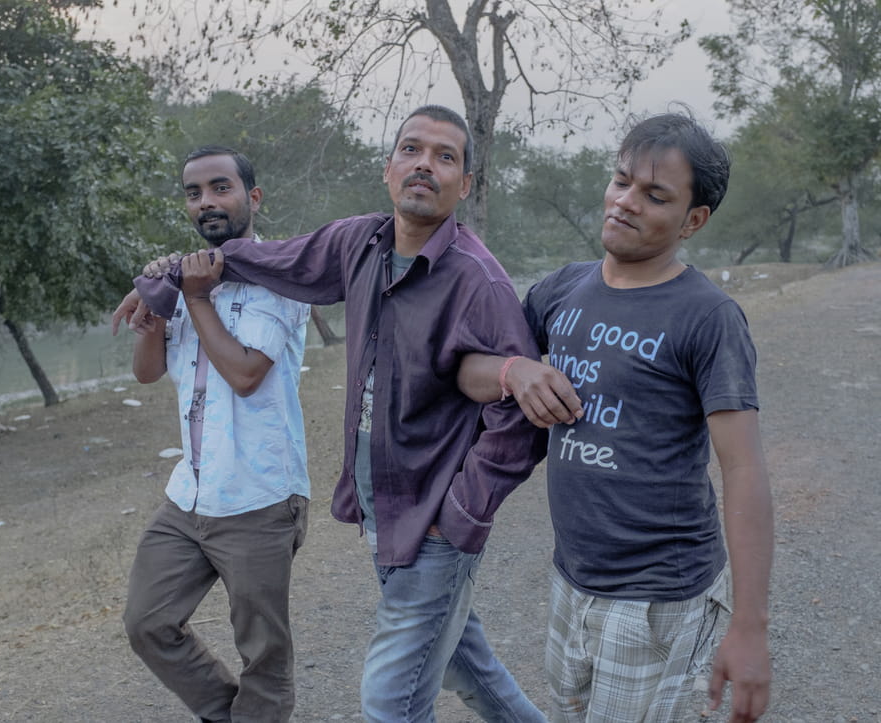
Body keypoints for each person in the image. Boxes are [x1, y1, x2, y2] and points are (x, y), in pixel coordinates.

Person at [114, 106, 548, 722]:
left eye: (445, 156)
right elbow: (272, 259)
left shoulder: (479, 282)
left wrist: (460, 513)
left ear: (466, 183)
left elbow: (520, 415)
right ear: (388, 168)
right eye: (411, 150)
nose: (424, 163)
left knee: (389, 702)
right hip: (382, 508)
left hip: (429, 520)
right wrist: (163, 281)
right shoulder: (360, 244)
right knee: (459, 660)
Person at [457, 112, 774, 722]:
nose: (625, 202)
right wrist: (513, 371)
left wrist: (751, 627)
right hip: (571, 580)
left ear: (694, 220)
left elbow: (744, 471)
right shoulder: (562, 291)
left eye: (655, 195)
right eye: (622, 180)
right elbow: (468, 369)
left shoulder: (708, 317)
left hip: (660, 597)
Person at [115, 146, 311, 723]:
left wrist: (195, 297)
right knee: (147, 622)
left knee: (263, 653)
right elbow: (149, 372)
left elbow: (247, 374)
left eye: (220, 188)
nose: (206, 202)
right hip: (191, 495)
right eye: (194, 192)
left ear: (252, 198)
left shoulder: (280, 280)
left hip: (259, 497)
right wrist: (156, 314)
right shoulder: (185, 278)